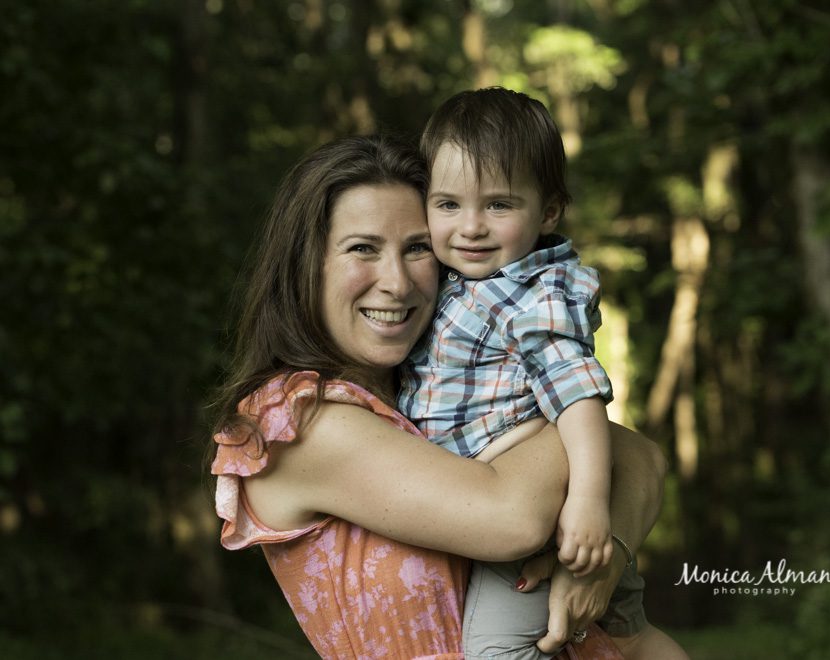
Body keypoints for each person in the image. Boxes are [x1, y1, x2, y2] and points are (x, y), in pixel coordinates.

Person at [211, 134, 667, 659]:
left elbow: (644, 460)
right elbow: (514, 518)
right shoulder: (299, 422)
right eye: (363, 248)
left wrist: (603, 564)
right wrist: (569, 422)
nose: (397, 283)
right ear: (305, 264)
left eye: (417, 248)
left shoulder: (436, 396)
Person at [398, 87, 687, 660]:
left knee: (495, 651)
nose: (471, 227)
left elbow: (578, 396)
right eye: (448, 205)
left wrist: (586, 505)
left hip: (548, 511)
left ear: (548, 211)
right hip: (508, 497)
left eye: (499, 205)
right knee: (629, 637)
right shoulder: (459, 283)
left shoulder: (535, 293)